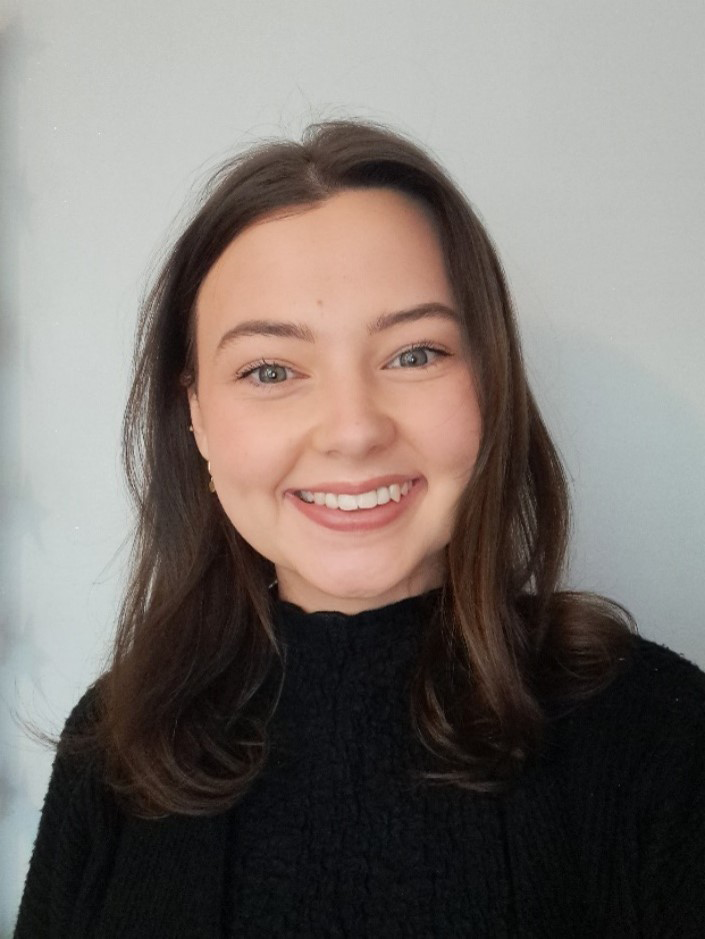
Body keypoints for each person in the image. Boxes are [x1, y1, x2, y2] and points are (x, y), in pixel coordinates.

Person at [14, 120, 705, 938]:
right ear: (194, 413)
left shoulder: (660, 734)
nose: (351, 430)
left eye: (414, 354)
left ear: (491, 382)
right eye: (269, 369)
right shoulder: (118, 741)